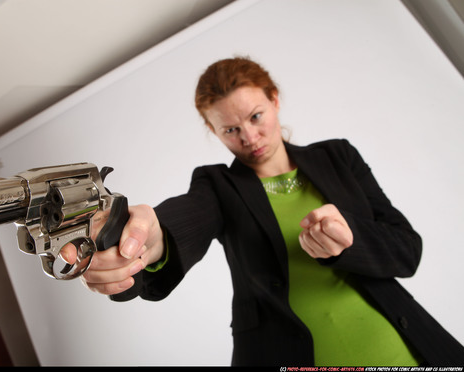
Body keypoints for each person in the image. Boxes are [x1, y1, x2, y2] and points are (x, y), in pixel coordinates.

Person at [63, 57, 464, 366]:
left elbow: (407, 250)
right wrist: (150, 240)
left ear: (274, 99)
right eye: (230, 130)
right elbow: (186, 218)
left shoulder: (338, 156)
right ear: (214, 130)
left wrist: (351, 242)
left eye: (256, 117)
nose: (250, 138)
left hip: (402, 348)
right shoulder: (218, 185)